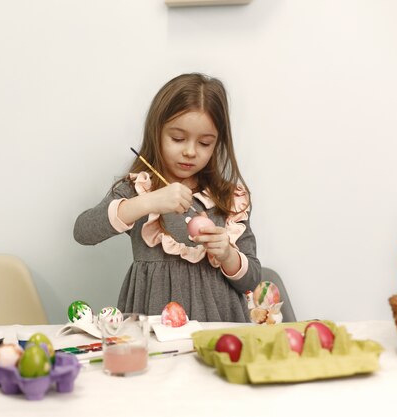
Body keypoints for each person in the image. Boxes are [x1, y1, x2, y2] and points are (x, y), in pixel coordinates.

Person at [74, 73, 267, 322]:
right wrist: (147, 202)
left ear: (218, 144)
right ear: (157, 132)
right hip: (153, 328)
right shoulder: (139, 189)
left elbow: (251, 282)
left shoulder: (229, 198)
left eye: (205, 143)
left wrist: (228, 255)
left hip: (218, 329)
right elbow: (83, 232)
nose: (189, 151)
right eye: (177, 139)